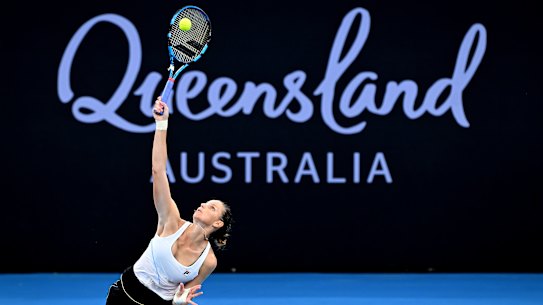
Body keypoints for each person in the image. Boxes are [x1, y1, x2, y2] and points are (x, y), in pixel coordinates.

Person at [106, 96, 234, 305]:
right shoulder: (170, 221)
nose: (202, 204)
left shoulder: (208, 261)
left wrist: (179, 302)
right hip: (124, 294)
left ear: (218, 223)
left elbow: (182, 295)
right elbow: (159, 171)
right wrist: (162, 123)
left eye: (212, 207)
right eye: (205, 202)